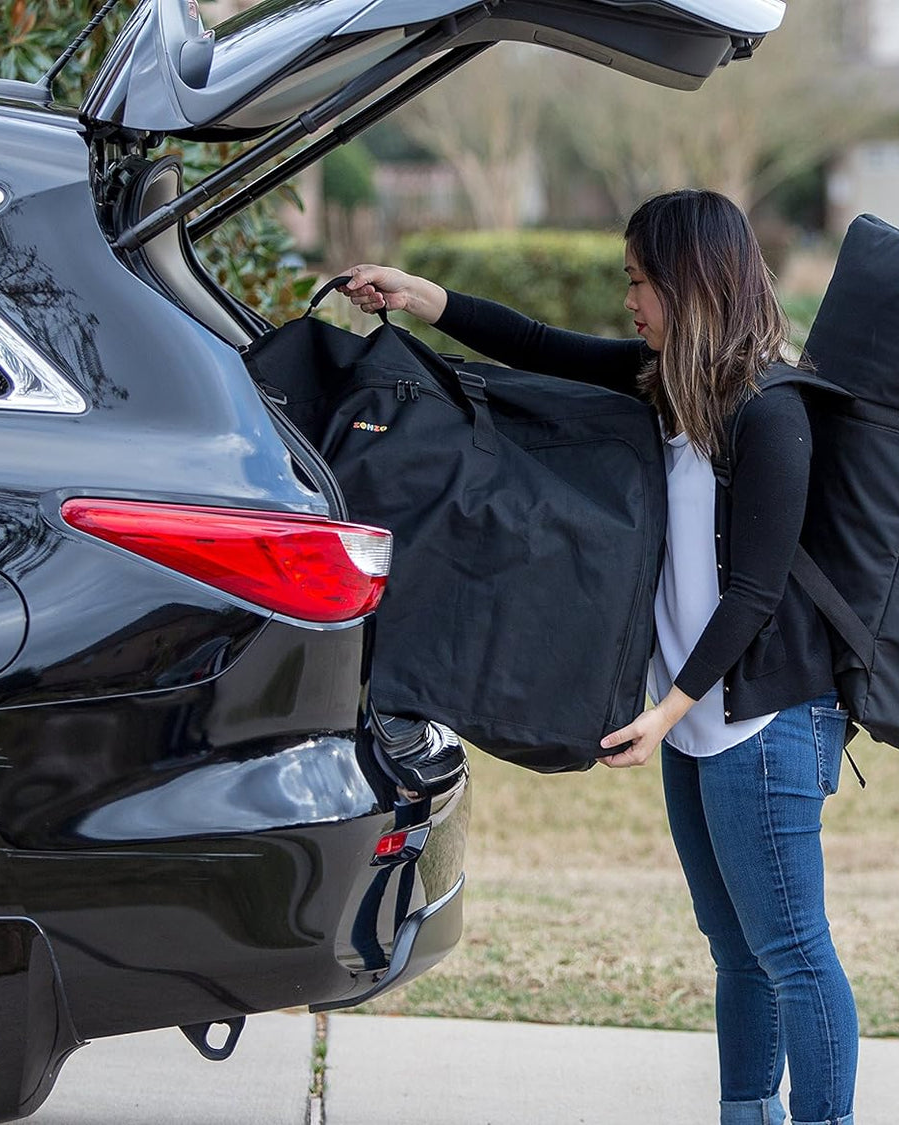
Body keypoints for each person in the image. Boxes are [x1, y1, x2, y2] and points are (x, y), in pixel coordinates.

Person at [340, 189, 858, 1125]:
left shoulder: (772, 411)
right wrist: (419, 296)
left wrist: (666, 710)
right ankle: (746, 1113)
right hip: (694, 719)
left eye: (640, 281)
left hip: (766, 721)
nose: (631, 301)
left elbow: (756, 592)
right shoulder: (665, 387)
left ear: (690, 281)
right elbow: (539, 346)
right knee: (734, 950)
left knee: (791, 950)